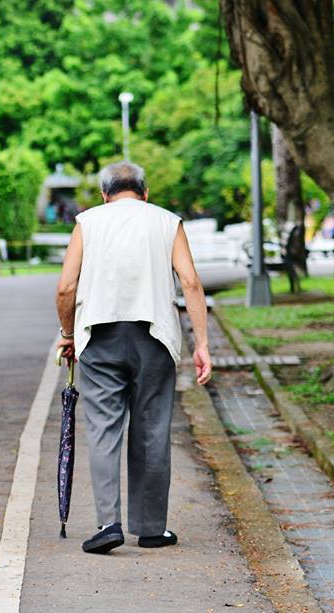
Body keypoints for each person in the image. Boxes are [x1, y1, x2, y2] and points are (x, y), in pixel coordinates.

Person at [55, 161, 212, 555]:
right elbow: (190, 282)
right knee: (152, 429)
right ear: (145, 192)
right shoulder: (166, 221)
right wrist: (202, 345)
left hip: (101, 338)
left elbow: (66, 287)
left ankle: (109, 523)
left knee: (104, 429)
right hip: (154, 337)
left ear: (105, 194)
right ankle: (151, 528)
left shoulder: (88, 221)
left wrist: (68, 334)